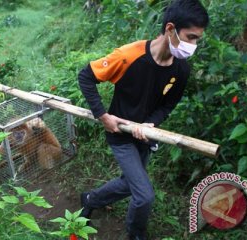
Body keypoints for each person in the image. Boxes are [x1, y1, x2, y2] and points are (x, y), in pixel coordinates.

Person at [77, 0, 209, 239]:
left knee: (130, 184)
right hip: (120, 134)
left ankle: (90, 199)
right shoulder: (129, 55)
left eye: (197, 40)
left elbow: (168, 104)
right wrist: (103, 116)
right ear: (170, 29)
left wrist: (150, 124)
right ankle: (135, 234)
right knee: (144, 195)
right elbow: (86, 76)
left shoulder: (181, 69)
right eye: (190, 37)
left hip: (145, 136)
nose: (193, 45)